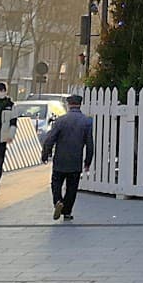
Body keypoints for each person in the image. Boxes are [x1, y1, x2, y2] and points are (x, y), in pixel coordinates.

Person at [39, 93, 93, 221]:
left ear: (69, 105)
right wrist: (88, 161)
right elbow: (90, 143)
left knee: (56, 183)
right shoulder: (86, 121)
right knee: (72, 187)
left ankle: (58, 201)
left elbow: (50, 139)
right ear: (80, 104)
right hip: (75, 161)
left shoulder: (61, 120)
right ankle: (67, 212)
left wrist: (45, 154)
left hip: (60, 160)